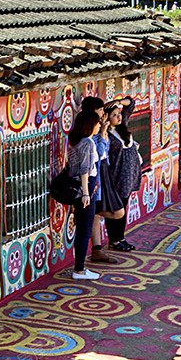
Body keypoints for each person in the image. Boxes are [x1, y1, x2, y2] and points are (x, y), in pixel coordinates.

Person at [67, 107, 103, 280]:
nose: (99, 125)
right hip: (85, 188)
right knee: (84, 230)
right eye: (97, 123)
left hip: (80, 188)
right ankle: (79, 270)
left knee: (82, 228)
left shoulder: (78, 141)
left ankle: (80, 268)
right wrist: (86, 193)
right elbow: (84, 170)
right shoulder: (88, 143)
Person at [90, 100, 125, 263]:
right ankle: (90, 213)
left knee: (97, 214)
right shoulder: (90, 131)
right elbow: (98, 153)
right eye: (100, 110)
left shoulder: (100, 128)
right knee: (117, 212)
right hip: (96, 175)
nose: (103, 114)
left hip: (104, 172)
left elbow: (105, 152)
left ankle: (97, 250)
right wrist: (103, 132)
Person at [105, 97, 142, 251]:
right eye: (114, 115)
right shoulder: (107, 135)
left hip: (130, 175)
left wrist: (118, 102)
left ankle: (120, 238)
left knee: (123, 207)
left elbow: (131, 103)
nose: (118, 117)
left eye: (119, 114)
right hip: (117, 177)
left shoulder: (123, 126)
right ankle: (113, 240)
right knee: (115, 209)